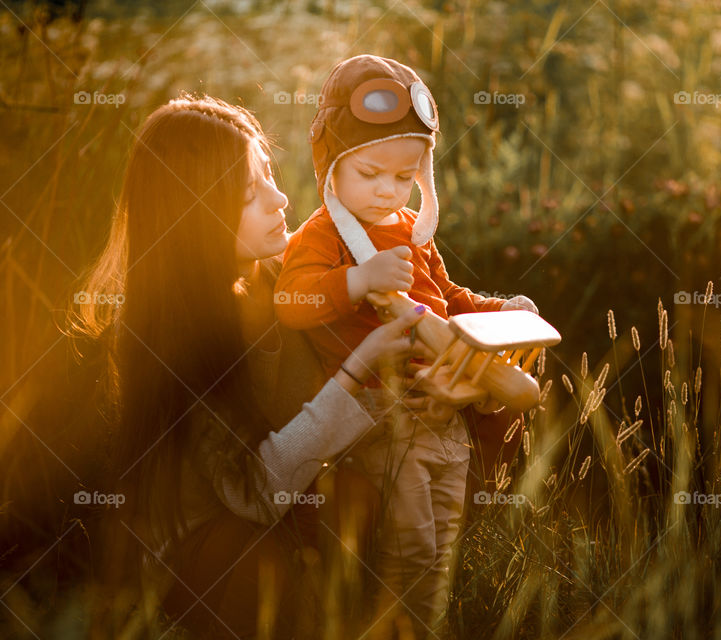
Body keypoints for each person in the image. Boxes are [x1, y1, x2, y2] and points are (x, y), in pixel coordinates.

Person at [70, 94, 430, 639]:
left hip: (284, 505)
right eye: (248, 193)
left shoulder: (290, 283)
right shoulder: (173, 336)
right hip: (208, 542)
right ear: (194, 215)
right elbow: (255, 493)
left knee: (358, 498)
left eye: (269, 175)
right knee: (256, 568)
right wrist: (357, 371)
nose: (281, 198)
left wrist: (421, 378)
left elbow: (331, 410)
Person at [274, 54, 537, 637]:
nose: (387, 191)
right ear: (332, 166)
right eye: (370, 174)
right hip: (380, 414)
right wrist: (358, 282)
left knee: (443, 547)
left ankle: (419, 627)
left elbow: (446, 296)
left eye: (404, 177)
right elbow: (291, 303)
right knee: (410, 550)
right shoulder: (322, 237)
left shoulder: (407, 231)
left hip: (445, 415)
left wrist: (503, 311)